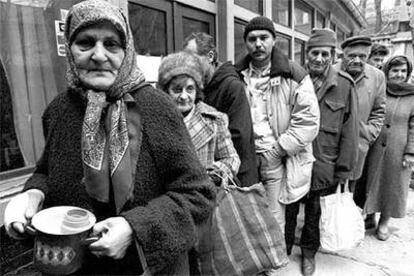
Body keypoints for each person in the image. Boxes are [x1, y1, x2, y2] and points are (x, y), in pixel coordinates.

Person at [3, 1, 215, 275]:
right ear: (69, 49)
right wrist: (32, 194)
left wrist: (135, 228)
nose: (99, 55)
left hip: (149, 267)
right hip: (74, 266)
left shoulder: (157, 108)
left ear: (126, 50)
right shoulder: (59, 110)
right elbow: (47, 171)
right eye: (85, 43)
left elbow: (198, 194)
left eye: (112, 44)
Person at [234, 16, 320, 233]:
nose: (258, 44)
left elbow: (308, 121)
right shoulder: (236, 74)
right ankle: (254, 261)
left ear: (274, 40)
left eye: (264, 38)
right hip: (245, 156)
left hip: (274, 157)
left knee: (273, 214)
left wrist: (278, 150)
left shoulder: (293, 74)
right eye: (252, 39)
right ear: (246, 43)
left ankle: (273, 263)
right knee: (246, 212)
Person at [285, 28, 359, 276]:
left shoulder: (345, 85)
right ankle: (283, 250)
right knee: (289, 211)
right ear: (307, 54)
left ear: (332, 55)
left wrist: (344, 170)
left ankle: (308, 254)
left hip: (324, 163)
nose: (318, 58)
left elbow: (350, 132)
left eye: (324, 53)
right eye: (314, 53)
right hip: (294, 160)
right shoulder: (294, 79)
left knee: (315, 214)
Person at [183, 32, 258, 187]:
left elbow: (239, 137)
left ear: (210, 56)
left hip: (236, 179)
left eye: (192, 60)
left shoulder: (232, 87)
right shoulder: (199, 86)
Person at [157, 51, 240, 183]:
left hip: (204, 196)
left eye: (189, 89)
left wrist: (214, 174)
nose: (184, 96)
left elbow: (231, 159)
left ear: (197, 90)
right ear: (166, 91)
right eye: (177, 89)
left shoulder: (214, 120)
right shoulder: (156, 121)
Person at [333, 36, 386, 230]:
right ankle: (326, 229)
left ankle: (345, 229)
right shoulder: (331, 72)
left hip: (358, 146)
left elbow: (379, 110)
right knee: (327, 190)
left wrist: (368, 135)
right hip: (331, 145)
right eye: (352, 56)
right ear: (342, 55)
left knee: (351, 190)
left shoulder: (377, 76)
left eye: (362, 56)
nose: (357, 60)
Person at [361, 55, 414, 241]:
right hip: (374, 145)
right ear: (387, 71)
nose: (399, 74)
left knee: (392, 185)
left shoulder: (413, 95)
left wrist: (410, 152)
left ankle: (384, 221)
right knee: (371, 180)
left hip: (398, 148)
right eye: (395, 70)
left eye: (403, 71)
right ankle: (369, 217)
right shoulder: (379, 89)